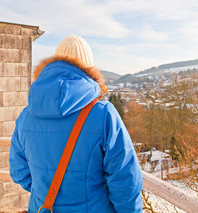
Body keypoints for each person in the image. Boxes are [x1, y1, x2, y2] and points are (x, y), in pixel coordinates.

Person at [9, 34, 143, 213]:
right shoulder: (104, 114)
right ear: (88, 70)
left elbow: (19, 171)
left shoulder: (26, 115)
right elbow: (126, 182)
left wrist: (45, 190)